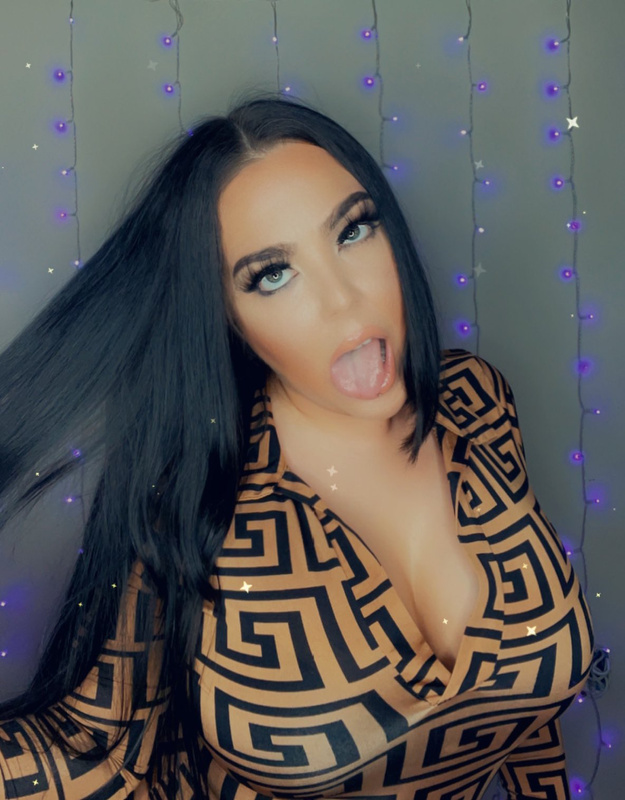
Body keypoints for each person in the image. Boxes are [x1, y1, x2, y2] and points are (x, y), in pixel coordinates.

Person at [0, 89, 594, 800]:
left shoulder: (477, 399)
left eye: (353, 230)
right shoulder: (189, 496)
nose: (344, 300)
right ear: (227, 315)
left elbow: (528, 721)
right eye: (272, 275)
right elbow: (91, 747)